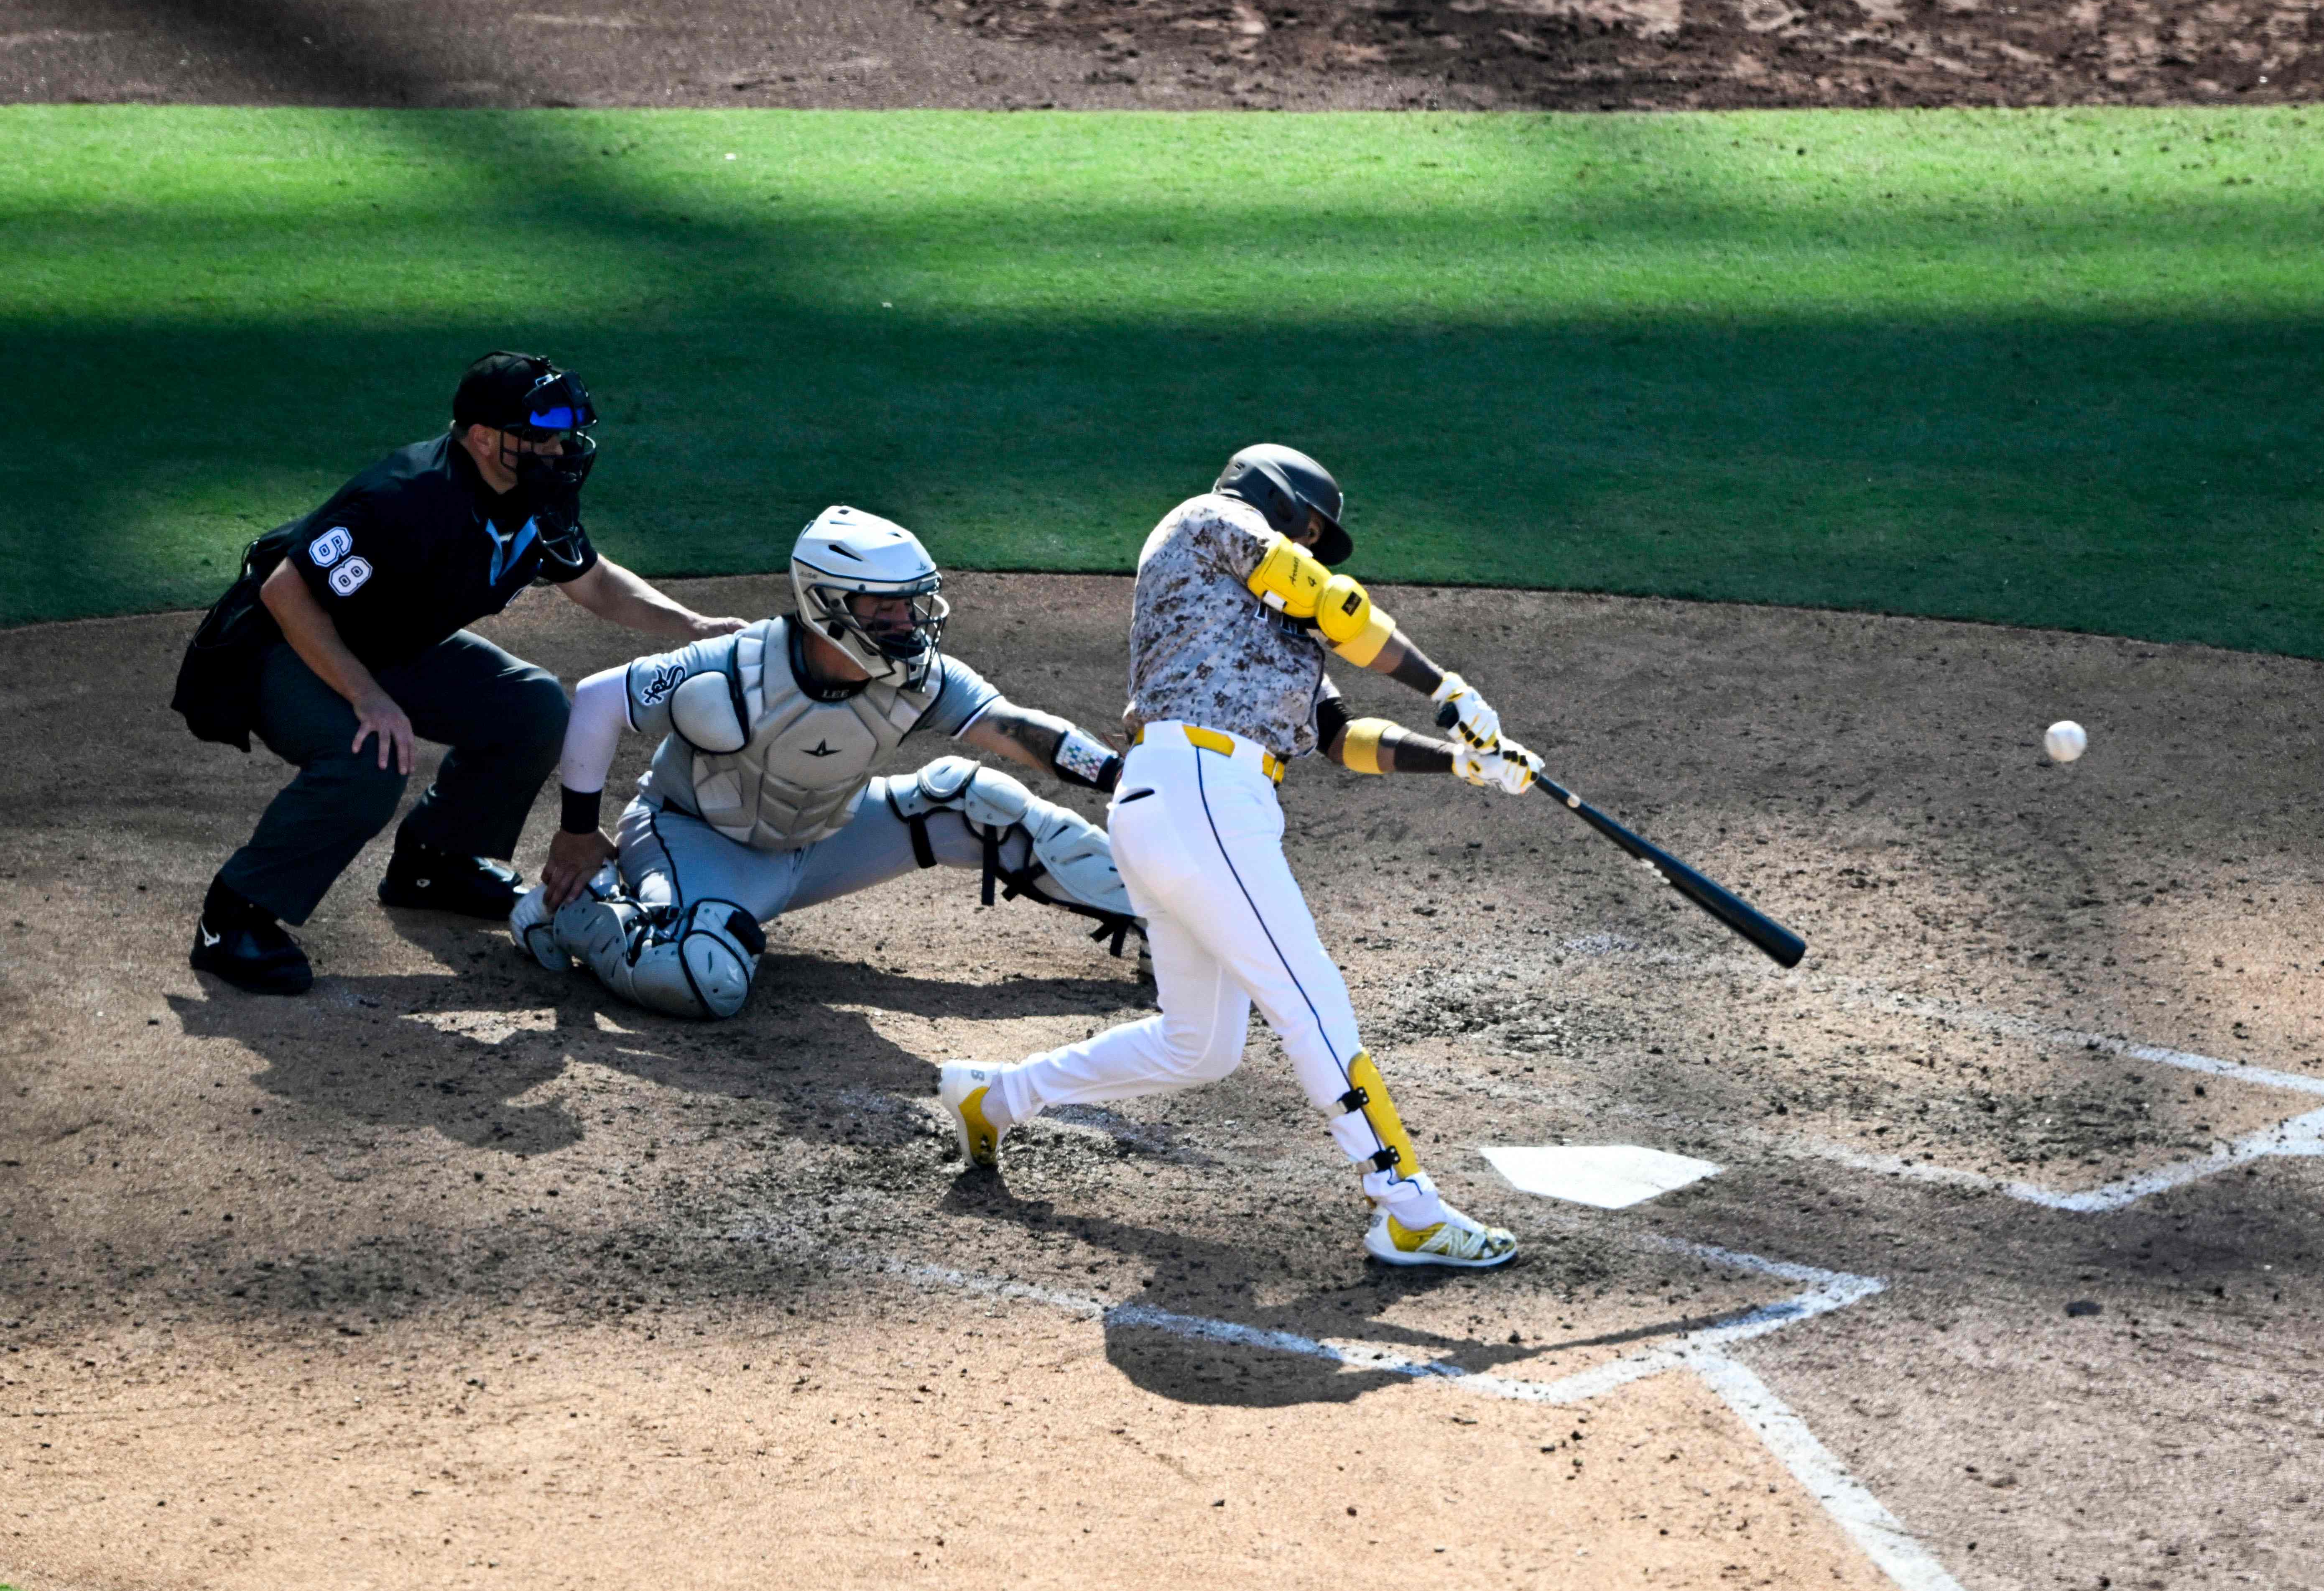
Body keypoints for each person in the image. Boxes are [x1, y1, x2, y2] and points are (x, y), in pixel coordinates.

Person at [932, 444, 1541, 1271]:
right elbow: (1333, 602)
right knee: (1312, 1002)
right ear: (1284, 503)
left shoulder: (1274, 622)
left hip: (1187, 807)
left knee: (1200, 1044)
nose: (1321, 546)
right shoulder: (1210, 523)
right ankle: (1407, 1208)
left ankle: (996, 1096)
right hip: (1199, 792)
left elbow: (1339, 739)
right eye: (1317, 528)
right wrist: (1447, 690)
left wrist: (1462, 760)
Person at [179, 352, 743, 996]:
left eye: (564, 436)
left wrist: (694, 625)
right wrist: (368, 698)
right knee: (370, 757)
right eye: (539, 437)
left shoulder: (530, 493)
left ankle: (435, 861)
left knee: (533, 709)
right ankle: (235, 915)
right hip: (279, 649)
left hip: (387, 645)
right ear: (481, 438)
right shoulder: (405, 496)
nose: (559, 450)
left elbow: (593, 582)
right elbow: (287, 592)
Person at [508, 506, 1135, 1019]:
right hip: (700, 842)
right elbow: (597, 701)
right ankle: (584, 912)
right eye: (884, 608)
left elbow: (1019, 731)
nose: (906, 625)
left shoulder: (920, 678)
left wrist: (1118, 774)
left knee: (978, 802)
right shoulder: (733, 668)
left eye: (912, 606)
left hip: (825, 843)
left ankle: (1167, 918)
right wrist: (577, 833)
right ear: (825, 603)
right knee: (701, 980)